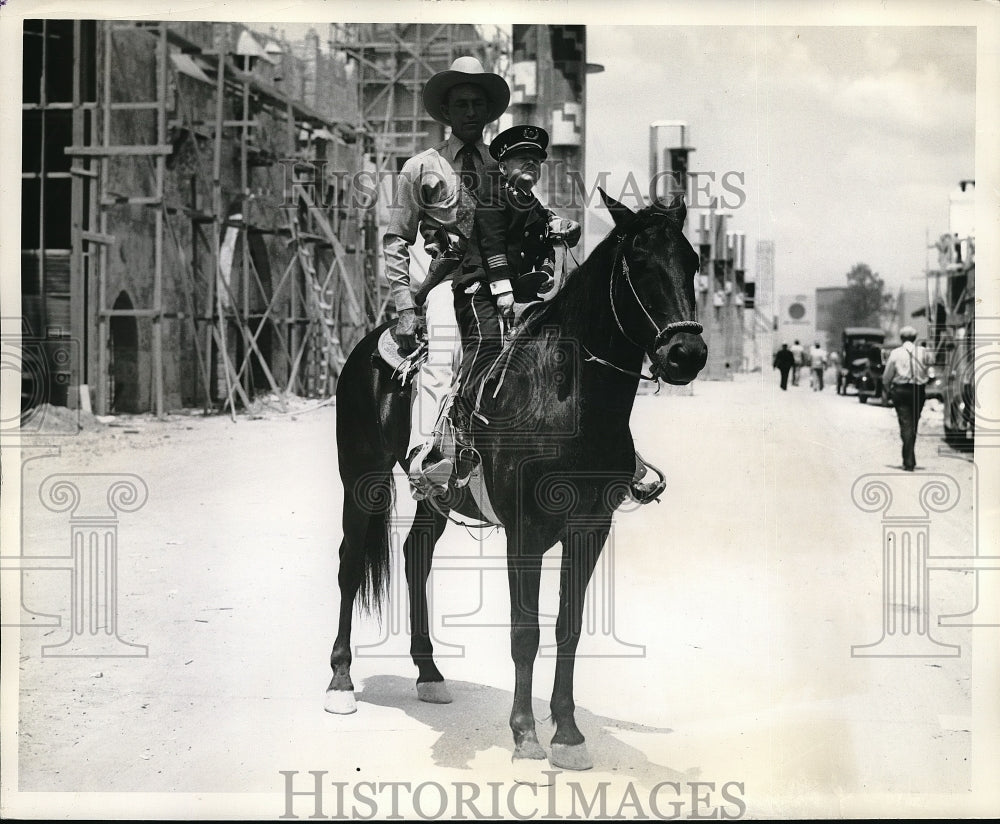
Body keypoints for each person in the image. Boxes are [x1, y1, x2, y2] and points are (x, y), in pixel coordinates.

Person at [381, 56, 510, 497]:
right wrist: (403, 306)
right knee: (443, 354)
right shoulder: (421, 168)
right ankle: (427, 458)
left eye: (478, 103)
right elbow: (397, 239)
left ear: (488, 111)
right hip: (443, 282)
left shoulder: (505, 168)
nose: (470, 111)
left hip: (499, 280)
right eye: (462, 104)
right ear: (448, 113)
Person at [882, 326, 932, 471]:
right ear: (915, 338)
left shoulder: (895, 353)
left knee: (905, 424)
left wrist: (886, 390)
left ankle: (908, 461)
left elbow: (887, 376)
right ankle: (910, 457)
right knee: (914, 423)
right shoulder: (923, 352)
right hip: (918, 391)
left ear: (901, 338)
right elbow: (930, 367)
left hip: (901, 391)